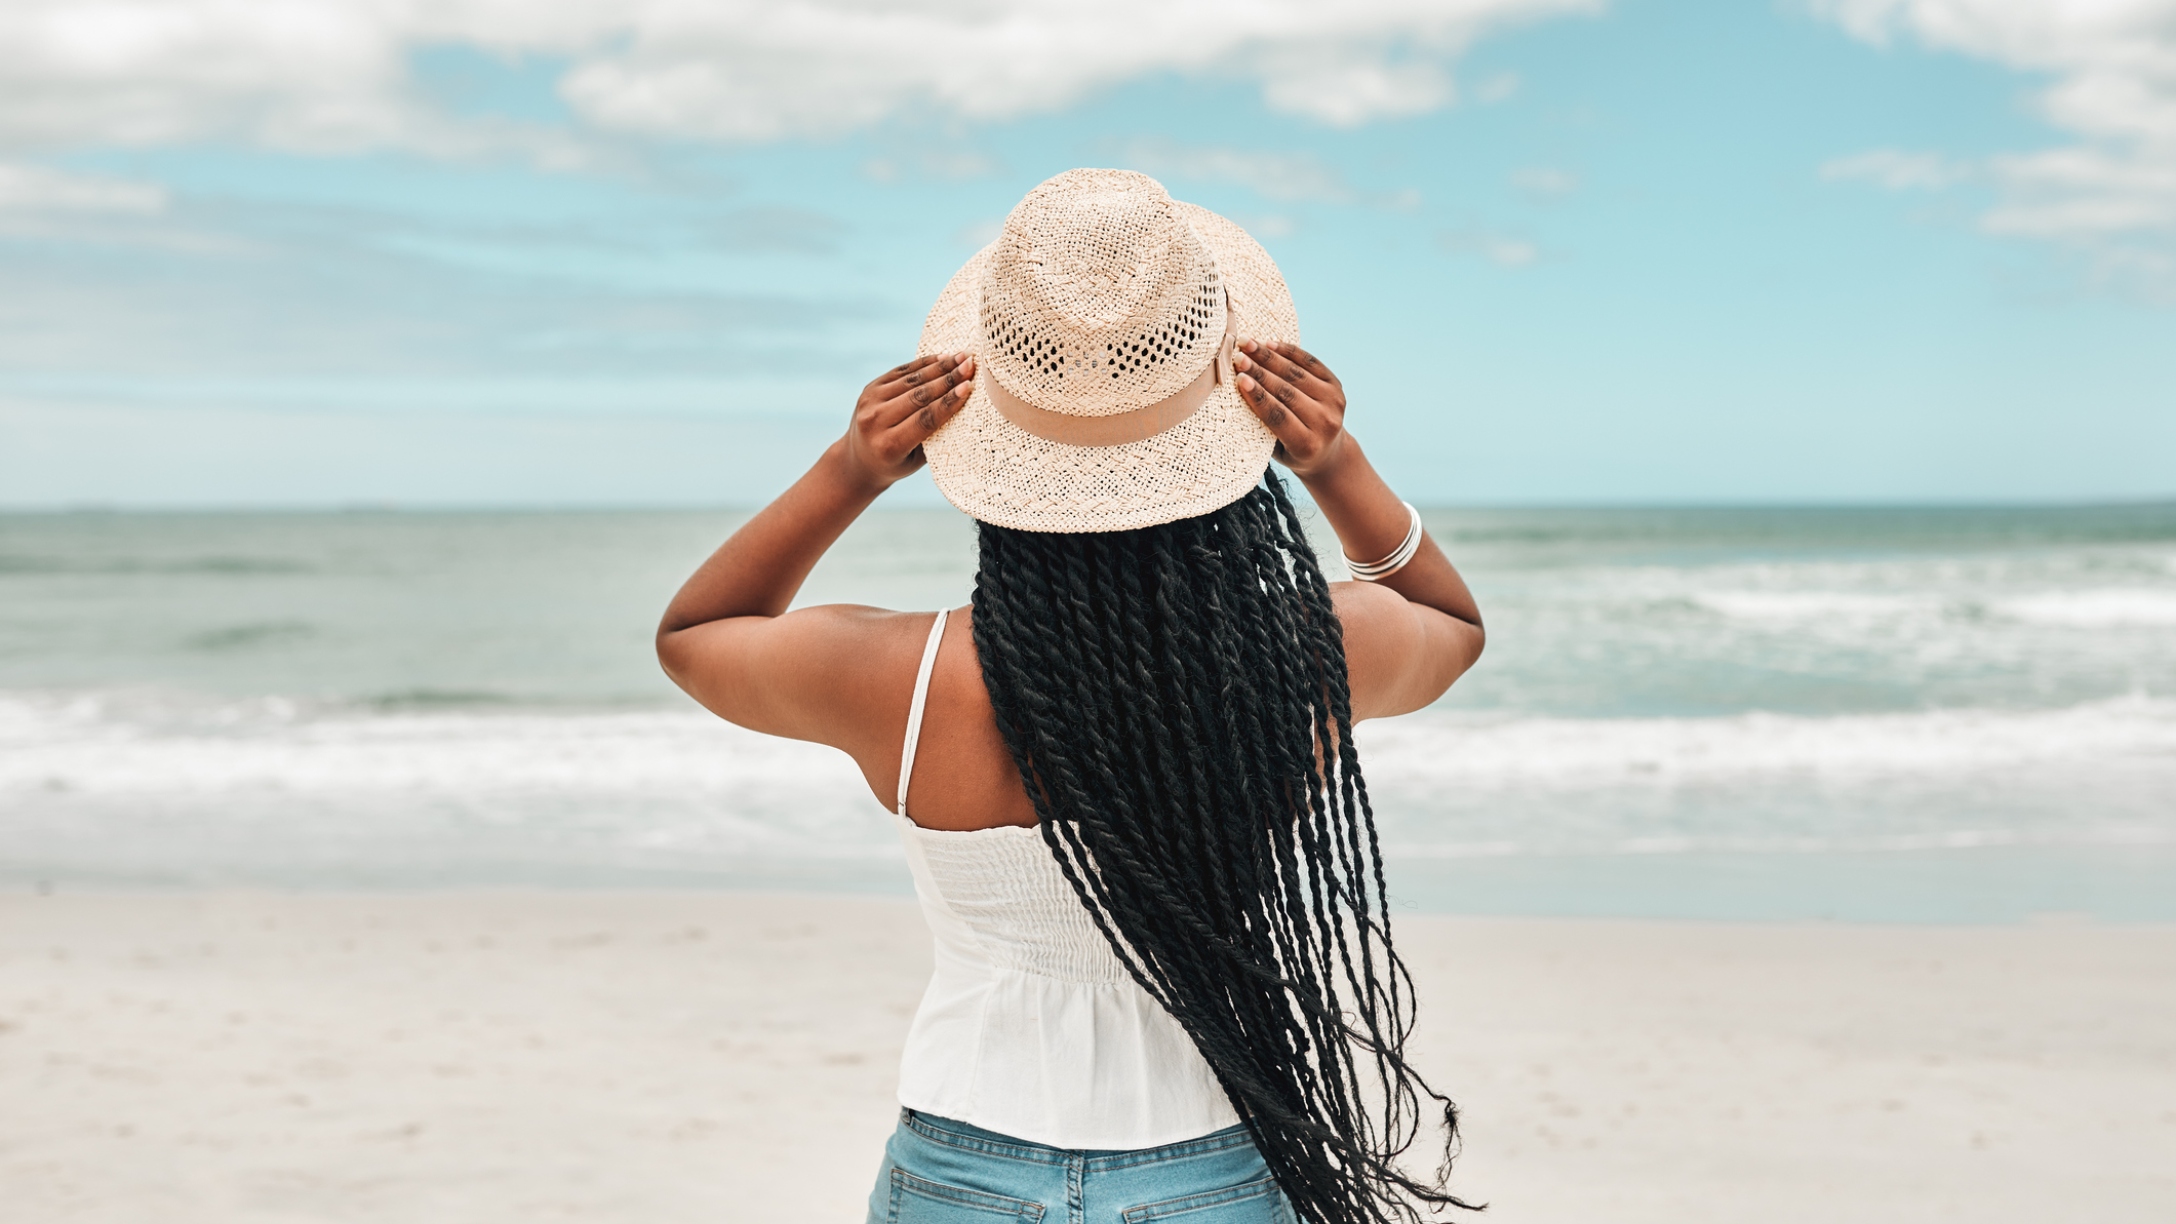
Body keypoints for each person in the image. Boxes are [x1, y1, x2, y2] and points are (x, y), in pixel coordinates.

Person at [658, 169, 1485, 1224]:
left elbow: (694, 637)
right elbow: (1452, 626)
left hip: (959, 1168)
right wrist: (1336, 465)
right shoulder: (1311, 654)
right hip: (1207, 1168)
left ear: (987, 443)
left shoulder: (895, 679)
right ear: (1234, 424)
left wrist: (848, 471)